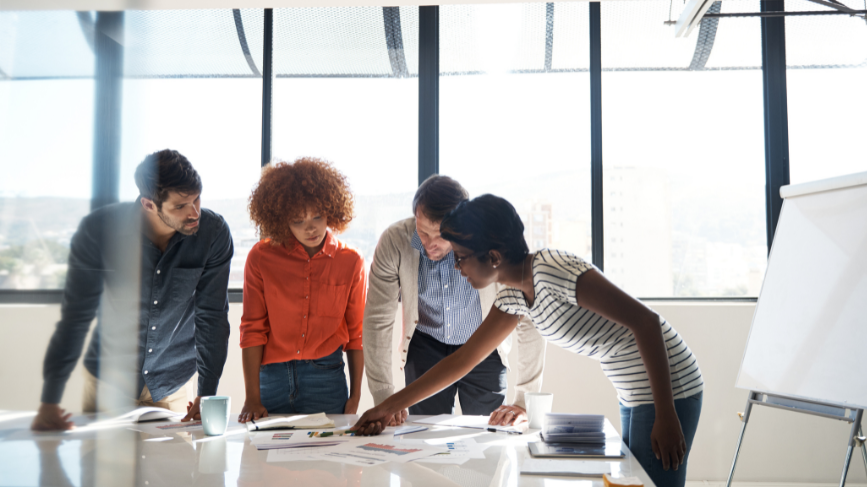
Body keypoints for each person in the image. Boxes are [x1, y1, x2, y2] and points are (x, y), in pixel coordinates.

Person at [354, 194, 703, 487]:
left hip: (668, 387)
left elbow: (646, 322)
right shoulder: (513, 292)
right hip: (634, 390)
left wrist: (666, 412)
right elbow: (464, 359)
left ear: (492, 256)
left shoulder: (554, 271)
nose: (456, 267)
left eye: (460, 257)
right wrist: (388, 406)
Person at [32, 149, 234, 431]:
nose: (194, 212)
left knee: (176, 472)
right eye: (181, 206)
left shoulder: (213, 233)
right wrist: (50, 401)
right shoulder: (99, 230)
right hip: (108, 384)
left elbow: (212, 317)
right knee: (102, 475)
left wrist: (207, 393)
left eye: (197, 199)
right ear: (148, 205)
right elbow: (76, 316)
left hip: (172, 385)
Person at [363, 175, 546, 425]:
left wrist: (524, 399)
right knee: (422, 437)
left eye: (439, 235)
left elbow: (528, 319)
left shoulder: (490, 248)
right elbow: (377, 321)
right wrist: (384, 395)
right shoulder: (395, 241)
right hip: (425, 345)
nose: (429, 244)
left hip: (483, 346)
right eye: (422, 231)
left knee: (487, 439)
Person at [237, 157, 366, 422]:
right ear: (281, 220)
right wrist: (252, 397)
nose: (310, 228)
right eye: (298, 220)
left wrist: (355, 394)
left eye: (317, 216)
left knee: (328, 460)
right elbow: (252, 328)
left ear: (331, 209)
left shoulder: (350, 261)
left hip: (326, 379)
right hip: (271, 378)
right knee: (265, 461)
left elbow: (357, 334)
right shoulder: (261, 257)